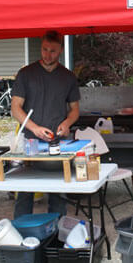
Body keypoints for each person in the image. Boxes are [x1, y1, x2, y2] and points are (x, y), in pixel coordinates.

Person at [11, 30, 80, 218]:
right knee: (25, 191)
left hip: (58, 142)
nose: (47, 55)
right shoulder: (26, 74)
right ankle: (21, 233)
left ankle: (56, 232)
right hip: (30, 142)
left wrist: (67, 123)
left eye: (53, 51)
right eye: (44, 49)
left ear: (61, 51)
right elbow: (15, 108)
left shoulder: (68, 77)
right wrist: (34, 128)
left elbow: (75, 109)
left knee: (58, 191)